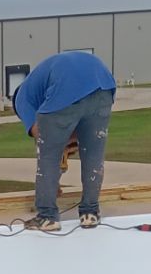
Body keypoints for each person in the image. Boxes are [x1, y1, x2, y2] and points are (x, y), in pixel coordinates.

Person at [13, 50, 118, 233]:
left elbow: (45, 141)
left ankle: (47, 216)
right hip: (103, 84)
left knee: (48, 155)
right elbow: (69, 136)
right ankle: (90, 213)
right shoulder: (41, 81)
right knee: (93, 153)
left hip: (68, 85)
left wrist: (53, 182)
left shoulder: (22, 98)